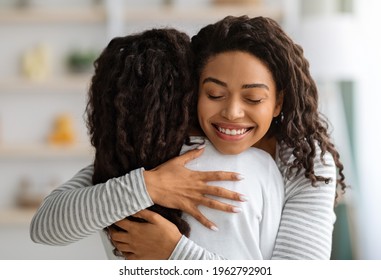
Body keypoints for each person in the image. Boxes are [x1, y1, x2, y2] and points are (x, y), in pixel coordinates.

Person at [30, 15, 346, 260]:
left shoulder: (305, 162)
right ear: (193, 93)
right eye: (214, 94)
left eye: (252, 99)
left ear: (278, 101)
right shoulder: (166, 147)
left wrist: (174, 253)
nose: (233, 113)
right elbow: (47, 224)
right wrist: (150, 185)